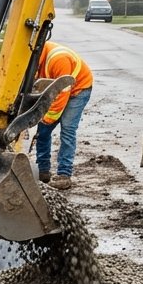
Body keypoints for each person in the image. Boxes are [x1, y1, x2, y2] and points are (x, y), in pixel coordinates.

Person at [32, 40, 93, 190]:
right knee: (42, 130)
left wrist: (47, 118)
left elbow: (62, 96)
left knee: (67, 129)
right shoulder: (34, 59)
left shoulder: (59, 60)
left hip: (78, 90)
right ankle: (43, 171)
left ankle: (64, 175)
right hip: (56, 89)